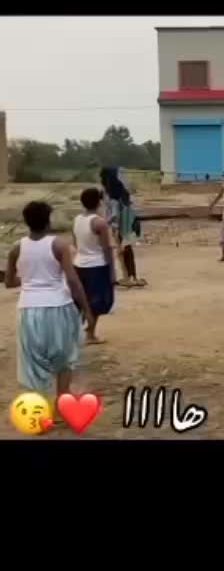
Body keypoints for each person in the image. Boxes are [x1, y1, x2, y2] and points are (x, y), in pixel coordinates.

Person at [4, 201, 92, 421]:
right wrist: (87, 309)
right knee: (64, 357)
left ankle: (38, 413)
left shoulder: (16, 248)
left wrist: (29, 279)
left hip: (29, 309)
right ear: (48, 220)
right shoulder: (59, 245)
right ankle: (62, 405)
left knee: (33, 362)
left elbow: (9, 282)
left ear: (26, 221)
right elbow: (72, 280)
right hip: (58, 307)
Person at [72, 187, 116, 344]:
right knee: (97, 302)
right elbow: (107, 248)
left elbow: (75, 243)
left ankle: (77, 332)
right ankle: (90, 333)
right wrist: (112, 270)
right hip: (97, 265)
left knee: (81, 301)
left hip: (79, 263)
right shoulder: (100, 223)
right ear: (99, 201)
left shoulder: (77, 219)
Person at [100, 167, 146, 288]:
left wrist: (107, 223)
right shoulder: (122, 191)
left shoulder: (111, 195)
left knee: (122, 251)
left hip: (120, 225)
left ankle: (128, 277)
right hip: (128, 224)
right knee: (127, 249)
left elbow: (114, 214)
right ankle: (132, 276)